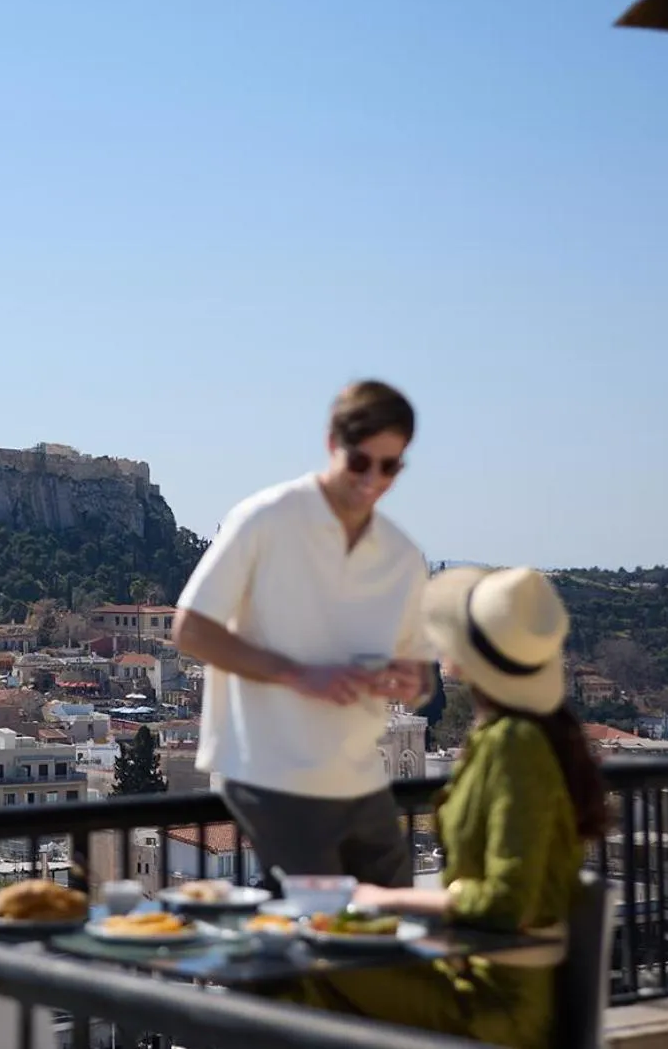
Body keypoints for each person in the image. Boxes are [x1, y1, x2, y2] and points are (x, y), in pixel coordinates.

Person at [287, 564, 606, 1049]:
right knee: (309, 978)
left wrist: (384, 900)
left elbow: (505, 900)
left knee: (294, 975)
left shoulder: (516, 744)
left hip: (494, 1004)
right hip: (474, 977)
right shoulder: (508, 736)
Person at [172, 379, 434, 888]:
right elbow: (192, 630)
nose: (373, 481)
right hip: (270, 770)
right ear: (332, 444)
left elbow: (421, 677)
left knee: (391, 919)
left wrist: (411, 681)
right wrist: (298, 675)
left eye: (389, 467)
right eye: (361, 462)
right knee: (320, 916)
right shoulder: (264, 520)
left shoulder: (401, 556)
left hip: (359, 773)